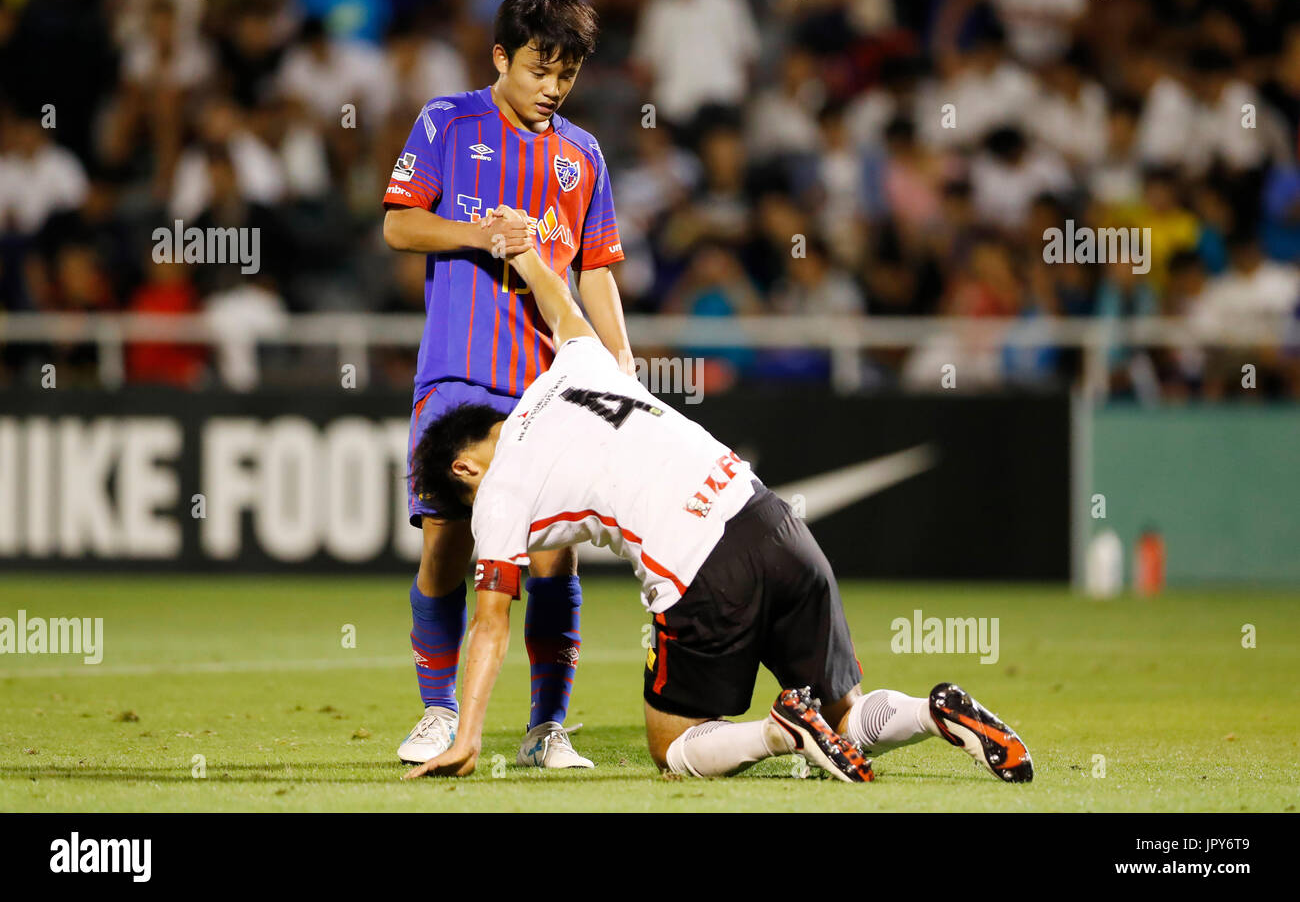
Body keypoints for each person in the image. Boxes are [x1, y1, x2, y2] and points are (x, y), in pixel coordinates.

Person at [403, 205, 1034, 784]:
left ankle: (779, 731)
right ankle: (933, 713)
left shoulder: (496, 492)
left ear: (463, 467)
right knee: (848, 717)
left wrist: (467, 738)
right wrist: (524, 251)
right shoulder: (574, 365)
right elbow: (559, 300)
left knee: (671, 748)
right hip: (773, 519)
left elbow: (489, 624)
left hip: (701, 567)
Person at [381, 0, 633, 769]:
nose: (551, 87)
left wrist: (619, 366)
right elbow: (398, 223)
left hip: (546, 381)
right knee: (448, 545)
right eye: (537, 69)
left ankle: (544, 728)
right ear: (501, 57)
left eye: (566, 73)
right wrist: (480, 233)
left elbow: (594, 269)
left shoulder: (583, 154)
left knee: (553, 553)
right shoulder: (446, 120)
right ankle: (436, 710)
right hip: (458, 374)